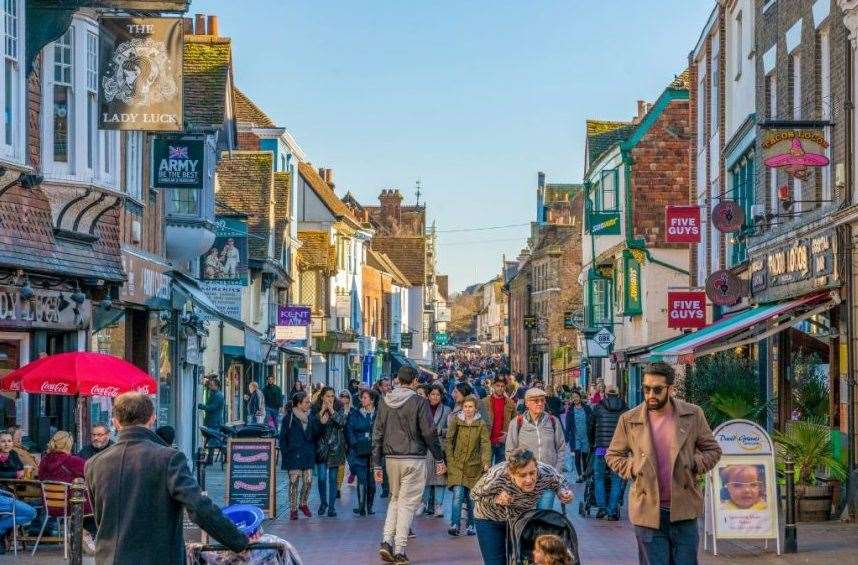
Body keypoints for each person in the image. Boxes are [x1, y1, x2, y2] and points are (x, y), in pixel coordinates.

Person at [86, 392, 247, 563]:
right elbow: (199, 507)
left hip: (109, 558)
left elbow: (100, 517)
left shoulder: (94, 463)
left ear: (115, 422)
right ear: (152, 418)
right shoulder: (169, 458)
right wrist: (238, 541)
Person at [606, 362, 722, 565]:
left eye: (657, 389)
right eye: (646, 388)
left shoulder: (693, 414)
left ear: (670, 389)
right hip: (648, 512)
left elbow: (713, 450)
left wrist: (695, 463)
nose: (651, 394)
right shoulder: (629, 419)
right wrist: (632, 467)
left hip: (684, 511)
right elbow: (613, 455)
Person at [372, 367, 445, 564]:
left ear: (397, 379)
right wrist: (439, 458)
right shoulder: (419, 402)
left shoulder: (385, 401)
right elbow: (429, 433)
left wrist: (376, 464)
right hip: (414, 458)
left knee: (395, 500)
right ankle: (400, 549)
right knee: (407, 504)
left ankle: (386, 541)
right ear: (413, 381)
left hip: (390, 458)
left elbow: (377, 433)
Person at [471, 448, 573, 565]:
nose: (529, 480)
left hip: (519, 519)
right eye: (523, 475)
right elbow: (474, 494)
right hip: (489, 519)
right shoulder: (497, 476)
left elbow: (560, 481)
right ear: (511, 474)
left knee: (523, 560)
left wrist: (563, 492)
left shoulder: (545, 472)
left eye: (532, 473)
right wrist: (496, 499)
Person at [505, 387, 566, 509]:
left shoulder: (553, 421)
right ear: (527, 403)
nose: (540, 403)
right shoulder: (517, 422)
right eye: (535, 400)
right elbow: (510, 451)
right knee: (527, 518)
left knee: (543, 518)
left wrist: (556, 471)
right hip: (525, 480)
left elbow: (561, 448)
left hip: (547, 480)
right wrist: (516, 475)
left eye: (542, 400)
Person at [446, 395, 490, 537]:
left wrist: (486, 462)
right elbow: (449, 440)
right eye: (465, 406)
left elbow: (485, 444)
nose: (467, 409)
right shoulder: (456, 421)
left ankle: (471, 525)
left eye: (470, 407)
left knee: (472, 499)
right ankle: (455, 524)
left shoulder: (481, 424)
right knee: (458, 495)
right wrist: (450, 459)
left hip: (474, 466)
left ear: (475, 408)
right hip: (457, 464)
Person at [588, 385, 628, 520]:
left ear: (605, 394)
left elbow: (591, 426)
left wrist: (592, 442)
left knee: (598, 477)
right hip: (618, 450)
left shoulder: (598, 407)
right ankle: (612, 511)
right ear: (618, 394)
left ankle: (602, 508)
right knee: (616, 479)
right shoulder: (625, 408)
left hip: (600, 448)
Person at [280, 390, 317, 520]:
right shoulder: (288, 418)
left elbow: (315, 435)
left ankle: (303, 503)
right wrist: (286, 453)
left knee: (308, 481)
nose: (309, 404)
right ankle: (293, 509)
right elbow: (282, 438)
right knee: (294, 482)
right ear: (299, 404)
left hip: (307, 454)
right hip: (293, 455)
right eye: (306, 402)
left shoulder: (310, 418)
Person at [311, 387, 347, 517]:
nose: (330, 399)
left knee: (333, 479)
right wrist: (322, 411)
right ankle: (323, 503)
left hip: (335, 447)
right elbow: (313, 424)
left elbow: (342, 422)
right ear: (322, 397)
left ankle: (331, 507)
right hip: (321, 447)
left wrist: (332, 410)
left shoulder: (339, 407)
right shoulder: (315, 408)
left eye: (332, 396)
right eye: (327, 396)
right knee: (321, 478)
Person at [346, 389, 376, 516]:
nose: (362, 400)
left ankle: (369, 506)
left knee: (372, 482)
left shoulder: (378, 414)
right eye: (362, 398)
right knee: (362, 479)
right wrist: (356, 444)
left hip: (374, 452)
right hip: (359, 451)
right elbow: (349, 429)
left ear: (372, 400)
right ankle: (361, 506)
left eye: (365, 397)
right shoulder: (355, 414)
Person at [422, 384, 450, 517]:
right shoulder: (422, 408)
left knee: (440, 478)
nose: (435, 397)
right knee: (425, 476)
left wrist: (441, 431)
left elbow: (450, 429)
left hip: (440, 446)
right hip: (425, 447)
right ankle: (423, 503)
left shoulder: (447, 410)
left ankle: (439, 506)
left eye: (438, 395)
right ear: (428, 395)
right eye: (432, 394)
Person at [482, 374, 516, 465]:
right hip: (487, 441)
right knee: (485, 469)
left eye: (502, 386)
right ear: (493, 386)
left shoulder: (510, 403)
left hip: (503, 442)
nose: (500, 388)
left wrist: (508, 435)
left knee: (501, 470)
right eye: (498, 385)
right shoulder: (484, 402)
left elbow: (515, 422)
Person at [563, 390, 592, 483]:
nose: (575, 398)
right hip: (575, 438)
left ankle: (585, 475)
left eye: (577, 396)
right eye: (573, 397)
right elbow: (567, 426)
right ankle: (580, 476)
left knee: (585, 457)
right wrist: (566, 439)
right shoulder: (570, 411)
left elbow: (592, 421)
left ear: (580, 397)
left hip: (586, 437)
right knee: (577, 456)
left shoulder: (587, 408)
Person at [198, 377, 225, 465]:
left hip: (214, 421)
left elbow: (212, 408)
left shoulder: (218, 396)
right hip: (212, 421)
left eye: (212, 385)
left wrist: (201, 406)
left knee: (213, 441)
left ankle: (210, 460)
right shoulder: (214, 394)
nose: (210, 386)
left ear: (217, 386)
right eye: (210, 385)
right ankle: (209, 460)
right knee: (211, 440)